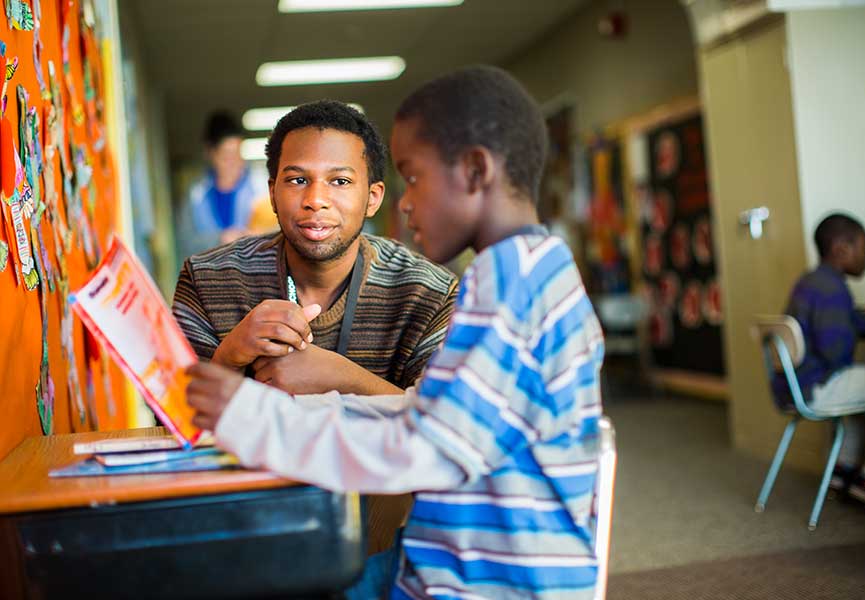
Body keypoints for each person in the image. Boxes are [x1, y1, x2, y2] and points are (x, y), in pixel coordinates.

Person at [185, 65, 606, 599]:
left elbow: (424, 449)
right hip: (460, 559)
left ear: (475, 171)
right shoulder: (534, 270)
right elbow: (435, 416)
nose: (405, 204)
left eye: (414, 178)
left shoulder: (506, 284)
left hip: (479, 581)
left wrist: (256, 418)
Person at [173, 101, 459, 554]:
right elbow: (170, 430)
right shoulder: (209, 279)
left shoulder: (428, 292)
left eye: (340, 181)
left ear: (373, 196)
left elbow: (451, 437)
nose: (315, 199)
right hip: (245, 542)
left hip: (383, 546)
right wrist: (231, 355)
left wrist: (341, 379)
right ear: (271, 191)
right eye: (297, 179)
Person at [776, 213, 865, 514]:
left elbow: (836, 319)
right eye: (863, 249)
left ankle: (844, 467)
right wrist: (851, 326)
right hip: (817, 387)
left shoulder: (812, 282)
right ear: (841, 249)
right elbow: (836, 351)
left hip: (794, 386)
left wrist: (859, 318)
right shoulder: (833, 289)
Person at [177, 110, 273, 260]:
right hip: (211, 278)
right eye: (226, 156)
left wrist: (261, 237)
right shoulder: (196, 195)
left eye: (237, 154)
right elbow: (186, 242)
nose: (234, 163)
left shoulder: (261, 185)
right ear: (209, 153)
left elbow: (285, 231)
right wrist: (220, 239)